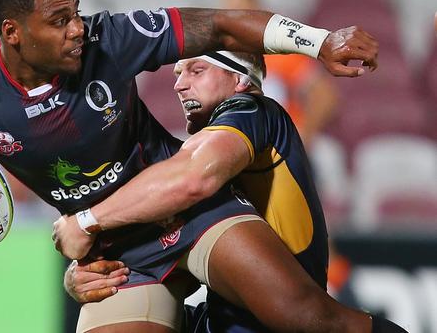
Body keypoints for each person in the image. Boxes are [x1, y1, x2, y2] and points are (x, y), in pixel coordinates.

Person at [0, 0, 381, 331]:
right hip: (117, 255)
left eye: (76, 11)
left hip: (191, 210)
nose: (77, 28)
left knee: (307, 318)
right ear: (13, 33)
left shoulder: (110, 37)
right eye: (59, 21)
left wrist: (318, 41)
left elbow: (224, 26)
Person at [54, 51, 405, 333]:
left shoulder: (253, 111)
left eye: (196, 71)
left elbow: (192, 179)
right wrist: (85, 273)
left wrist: (86, 222)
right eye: (177, 73)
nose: (178, 84)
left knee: (319, 320)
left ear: (239, 79)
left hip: (283, 318)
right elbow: (158, 235)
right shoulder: (190, 157)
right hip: (223, 319)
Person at [222, 0, 338, 148]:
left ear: (257, 9)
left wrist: (304, 135)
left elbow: (325, 96)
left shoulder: (281, 52)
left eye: (240, 8)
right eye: (228, 10)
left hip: (282, 146)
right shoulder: (220, 60)